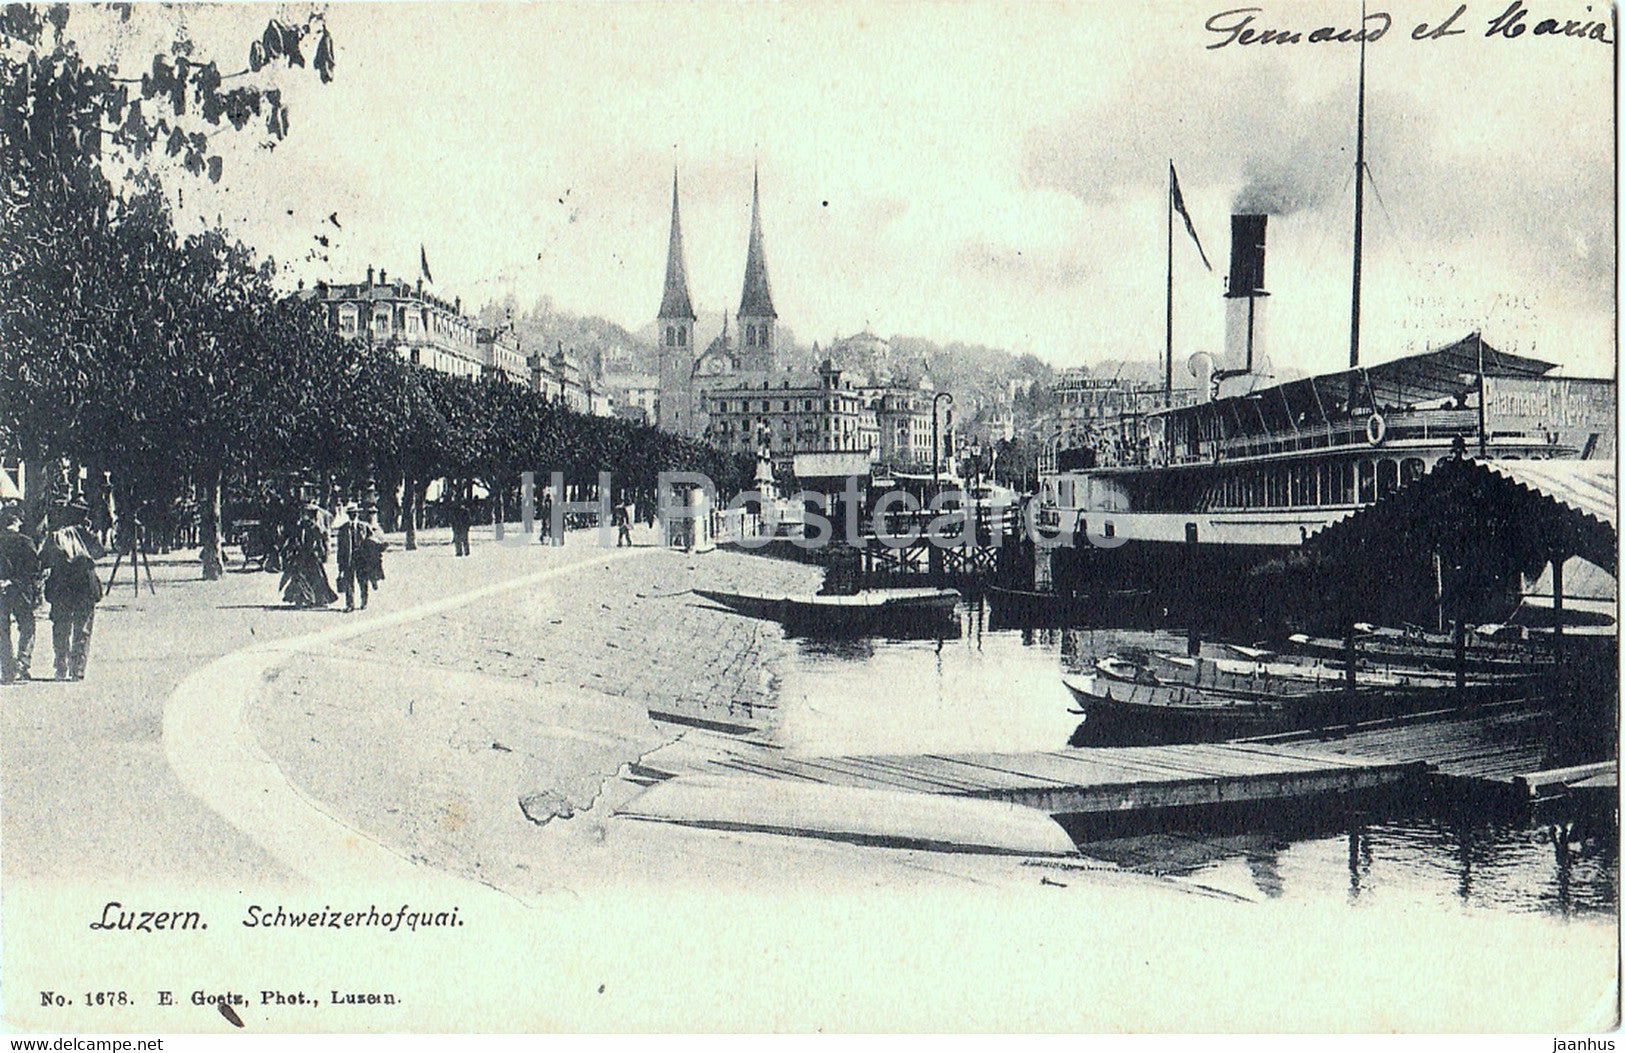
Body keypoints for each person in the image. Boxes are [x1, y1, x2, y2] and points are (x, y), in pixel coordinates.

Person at [41, 500, 105, 680]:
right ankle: (77, 669)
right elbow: (100, 553)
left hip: (61, 587)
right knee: (83, 628)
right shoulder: (87, 535)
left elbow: (44, 560)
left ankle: (60, 666)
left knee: (61, 627)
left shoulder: (55, 536)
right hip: (85, 586)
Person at [0, 506, 40, 683]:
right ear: (17, 521)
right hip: (20, 590)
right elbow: (33, 569)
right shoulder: (25, 541)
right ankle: (22, 664)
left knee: (2, 630)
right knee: (27, 625)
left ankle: (7, 670)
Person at [279, 503, 338, 608]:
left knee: (317, 577)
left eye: (306, 514)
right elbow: (293, 539)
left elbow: (320, 542)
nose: (304, 516)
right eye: (303, 514)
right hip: (300, 555)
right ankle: (301, 598)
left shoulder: (315, 528)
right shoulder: (299, 526)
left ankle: (320, 599)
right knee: (299, 577)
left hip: (312, 556)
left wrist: (322, 553)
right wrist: (289, 549)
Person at [335, 502, 362, 612]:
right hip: (348, 560)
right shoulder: (343, 529)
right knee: (349, 582)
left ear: (357, 514)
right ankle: (350, 604)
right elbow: (340, 547)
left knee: (362, 582)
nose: (353, 516)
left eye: (355, 513)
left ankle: (364, 601)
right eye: (351, 514)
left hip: (361, 560)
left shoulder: (363, 527)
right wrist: (340, 563)